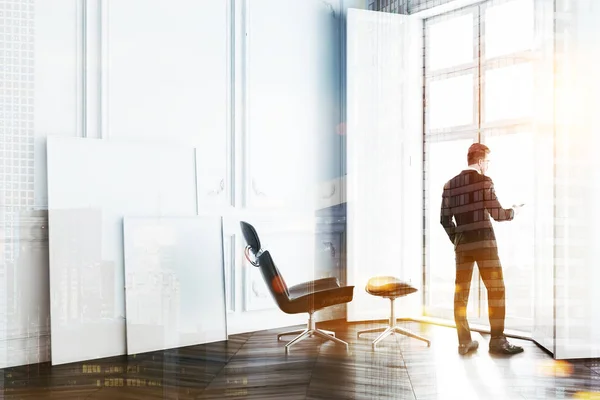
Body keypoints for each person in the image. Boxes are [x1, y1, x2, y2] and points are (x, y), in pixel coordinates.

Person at [440, 143, 524, 355]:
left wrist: (458, 239)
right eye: (487, 161)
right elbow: (497, 214)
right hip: (485, 245)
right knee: (496, 290)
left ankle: (464, 342)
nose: (488, 165)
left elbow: (444, 220)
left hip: (463, 247)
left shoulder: (449, 185)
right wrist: (513, 211)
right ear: (479, 161)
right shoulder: (484, 181)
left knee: (461, 294)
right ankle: (497, 341)